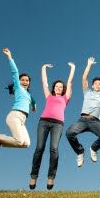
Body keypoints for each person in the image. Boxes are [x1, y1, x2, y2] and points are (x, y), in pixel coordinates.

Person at [28, 62, 75, 190]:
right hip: (43, 122)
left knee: (54, 149)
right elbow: (44, 82)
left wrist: (73, 68)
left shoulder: (65, 98)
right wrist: (43, 68)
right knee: (39, 148)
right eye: (57, 86)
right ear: (54, 88)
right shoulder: (48, 96)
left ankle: (51, 177)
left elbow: (70, 82)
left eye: (61, 87)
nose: (59, 88)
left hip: (57, 124)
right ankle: (34, 176)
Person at [65, 57, 100, 167]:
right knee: (69, 133)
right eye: (96, 83)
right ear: (92, 85)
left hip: (95, 122)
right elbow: (84, 79)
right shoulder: (87, 92)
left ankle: (93, 148)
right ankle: (80, 151)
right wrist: (89, 65)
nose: (98, 85)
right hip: (83, 120)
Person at [0, 48, 36, 150]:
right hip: (15, 116)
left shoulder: (28, 95)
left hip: (22, 120)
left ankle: (2, 140)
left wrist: (34, 106)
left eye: (27, 80)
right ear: (19, 81)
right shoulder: (18, 88)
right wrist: (9, 57)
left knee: (26, 144)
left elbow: (33, 100)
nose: (25, 82)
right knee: (20, 140)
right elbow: (15, 72)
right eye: (23, 80)